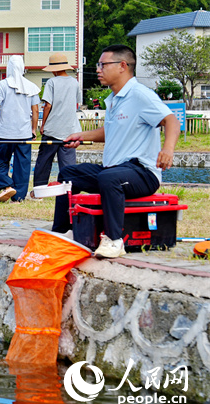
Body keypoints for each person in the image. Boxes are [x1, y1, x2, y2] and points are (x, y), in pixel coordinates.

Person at [52, 45, 179, 258]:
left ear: (122, 66)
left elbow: (171, 120)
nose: (98, 70)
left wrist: (168, 149)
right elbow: (109, 131)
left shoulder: (140, 95)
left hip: (143, 173)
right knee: (68, 175)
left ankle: (114, 240)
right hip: (113, 171)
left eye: (103, 65)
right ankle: (63, 231)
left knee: (111, 178)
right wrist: (81, 136)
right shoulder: (113, 99)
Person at [0, 55, 40, 203]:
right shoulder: (31, 86)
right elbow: (35, 110)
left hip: (5, 133)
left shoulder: (2, 85)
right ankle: (18, 197)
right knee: (22, 165)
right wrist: (33, 129)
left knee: (0, 162)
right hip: (24, 133)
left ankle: (6, 186)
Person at [31, 53, 82, 193]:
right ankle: (70, 191)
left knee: (44, 161)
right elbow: (76, 103)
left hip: (53, 129)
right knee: (68, 164)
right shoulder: (74, 83)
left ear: (53, 69)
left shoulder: (51, 82)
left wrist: (43, 125)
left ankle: (39, 191)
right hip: (70, 129)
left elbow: (47, 105)